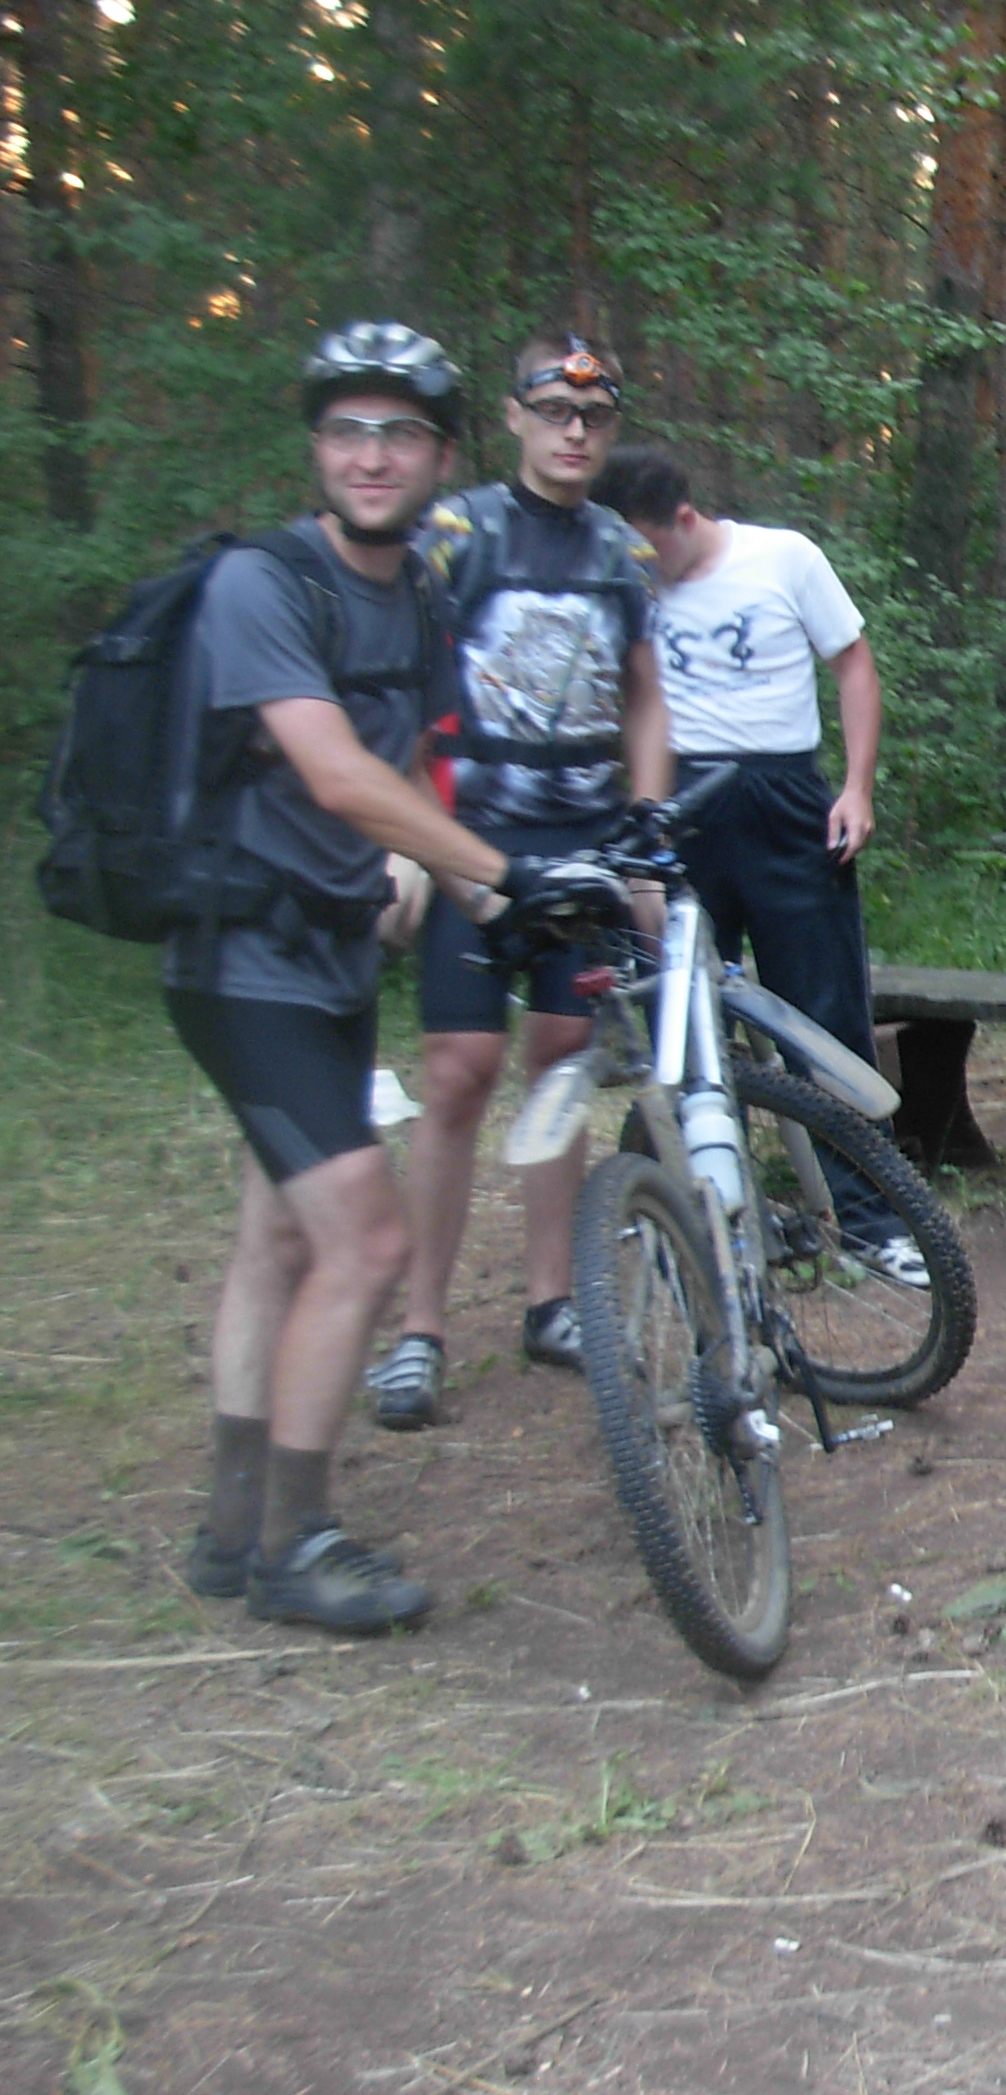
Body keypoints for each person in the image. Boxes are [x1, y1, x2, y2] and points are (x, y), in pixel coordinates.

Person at [177, 325, 630, 1632]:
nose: (371, 457)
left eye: (400, 434)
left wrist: (481, 888)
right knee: (365, 1240)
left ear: (440, 458)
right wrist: (499, 870)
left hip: (324, 955)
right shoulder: (263, 585)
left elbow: (416, 761)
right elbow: (334, 774)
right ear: (316, 449)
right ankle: (297, 1545)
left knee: (277, 1236)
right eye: (346, 431)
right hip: (242, 956)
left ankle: (232, 1530)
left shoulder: (417, 594)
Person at [373, 330, 668, 1430]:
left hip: (582, 838)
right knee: (459, 1072)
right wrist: (409, 838)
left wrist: (646, 817)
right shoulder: (458, 533)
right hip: (474, 841)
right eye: (555, 414)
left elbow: (644, 694)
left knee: (560, 1062)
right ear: (514, 417)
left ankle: (552, 1302)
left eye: (595, 418)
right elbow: (409, 685)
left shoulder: (622, 551)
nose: (575, 433)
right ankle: (420, 1328)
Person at [588, 446, 917, 1277]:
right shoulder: (622, 582)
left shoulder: (783, 557)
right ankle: (711, 1224)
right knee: (684, 1020)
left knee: (824, 1011)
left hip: (783, 796)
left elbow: (854, 664)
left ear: (684, 519)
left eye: (650, 547)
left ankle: (871, 1221)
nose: (642, 565)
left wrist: (857, 788)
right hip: (678, 804)